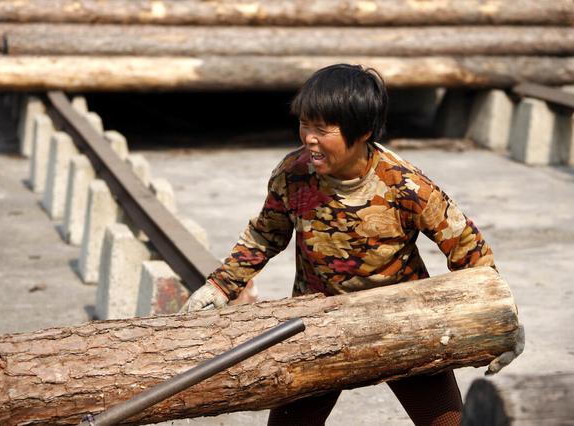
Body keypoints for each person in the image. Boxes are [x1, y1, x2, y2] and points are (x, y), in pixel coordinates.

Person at [180, 64, 519, 426]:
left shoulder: (405, 185)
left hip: (403, 324)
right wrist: (220, 285)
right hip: (318, 325)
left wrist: (502, 319)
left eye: (323, 129)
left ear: (363, 132)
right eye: (305, 124)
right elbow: (265, 234)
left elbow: (467, 247)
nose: (309, 138)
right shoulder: (293, 174)